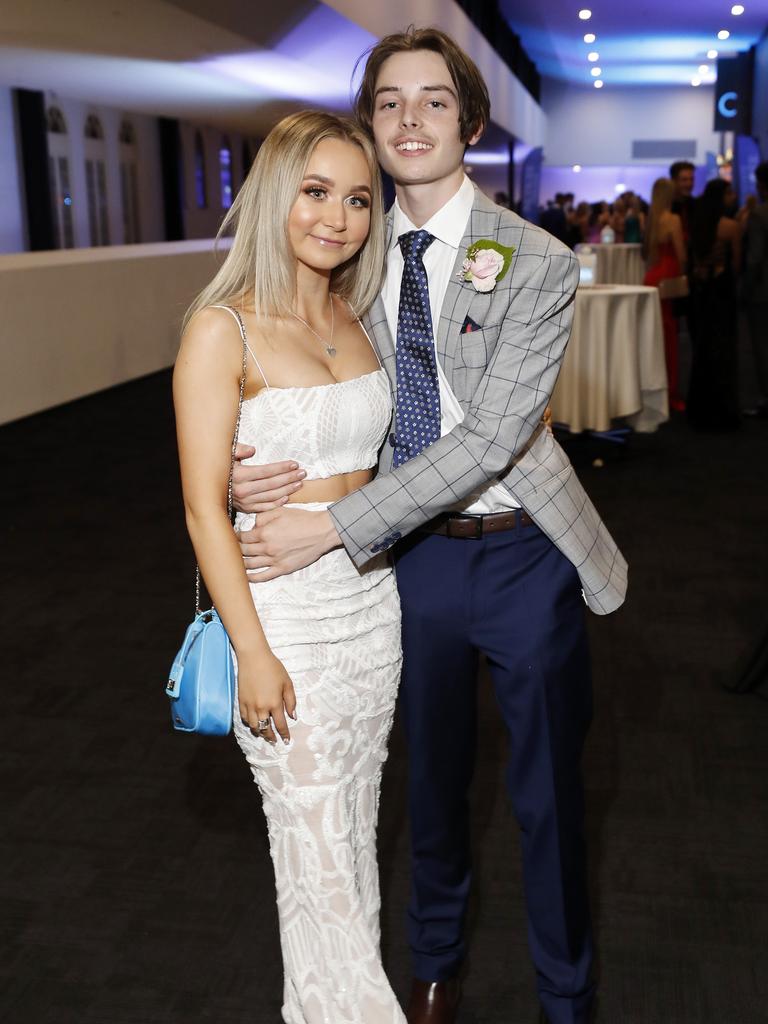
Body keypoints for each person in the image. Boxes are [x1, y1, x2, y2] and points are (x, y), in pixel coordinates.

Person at [233, 28, 628, 1024]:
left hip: (524, 555)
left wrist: (330, 526)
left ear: (473, 122)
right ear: (371, 125)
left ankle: (567, 995)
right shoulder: (350, 254)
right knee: (432, 787)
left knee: (546, 799)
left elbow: (493, 436)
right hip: (410, 565)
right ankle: (435, 969)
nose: (410, 120)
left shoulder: (531, 258)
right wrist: (253, 448)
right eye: (390, 102)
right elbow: (300, 365)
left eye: (434, 101)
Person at [173, 110, 406, 1023]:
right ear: (276, 194)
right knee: (317, 863)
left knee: (349, 848)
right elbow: (201, 509)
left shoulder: (359, 313)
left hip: (371, 613)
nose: (336, 217)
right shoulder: (220, 329)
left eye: (357, 198)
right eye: (316, 192)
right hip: (286, 626)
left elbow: (389, 461)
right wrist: (255, 652)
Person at [687, 177, 743, 431]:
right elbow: (737, 262)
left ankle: (699, 407)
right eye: (729, 193)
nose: (732, 197)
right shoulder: (731, 226)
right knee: (724, 349)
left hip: (701, 290)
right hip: (722, 289)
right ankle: (724, 408)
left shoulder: (697, 224)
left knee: (702, 348)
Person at [643, 177, 687, 411]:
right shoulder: (673, 220)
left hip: (653, 277)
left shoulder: (651, 220)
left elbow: (649, 255)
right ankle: (671, 393)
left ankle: (654, 390)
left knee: (656, 338)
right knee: (670, 339)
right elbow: (681, 255)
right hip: (669, 278)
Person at [742, 161, 768, 418]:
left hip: (763, 293)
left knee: (762, 347)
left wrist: (744, 291)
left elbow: (755, 258)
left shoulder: (760, 214)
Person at [669, 160, 696, 242]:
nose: (689, 184)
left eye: (691, 179)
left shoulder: (697, 205)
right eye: (684, 180)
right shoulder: (667, 206)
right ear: (674, 181)